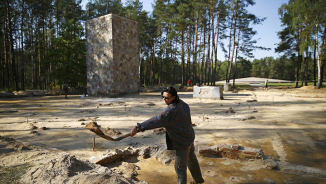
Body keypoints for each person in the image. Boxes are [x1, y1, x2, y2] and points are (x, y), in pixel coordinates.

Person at [130, 86, 204, 184]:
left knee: (180, 167)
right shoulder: (183, 104)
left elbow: (156, 120)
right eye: (163, 97)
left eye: (167, 98)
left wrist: (138, 127)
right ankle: (198, 180)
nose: (164, 99)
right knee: (191, 159)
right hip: (189, 137)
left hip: (182, 142)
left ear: (174, 97)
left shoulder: (170, 111)